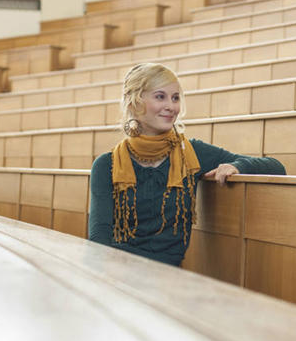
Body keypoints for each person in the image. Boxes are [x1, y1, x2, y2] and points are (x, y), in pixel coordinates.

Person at [89, 63, 285, 266]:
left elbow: (276, 166)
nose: (171, 106)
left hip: (168, 278)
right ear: (134, 103)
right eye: (160, 96)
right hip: (119, 273)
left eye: (175, 98)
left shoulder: (191, 153)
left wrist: (238, 166)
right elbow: (98, 241)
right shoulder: (106, 165)